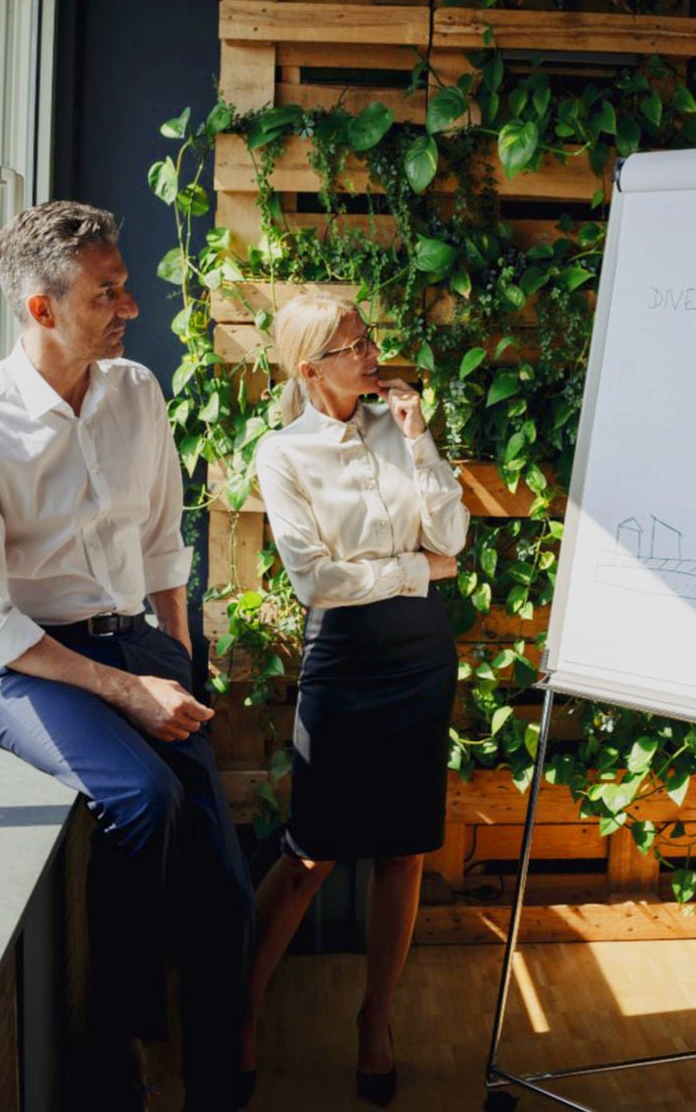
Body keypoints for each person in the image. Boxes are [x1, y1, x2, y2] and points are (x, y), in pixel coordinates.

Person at [0, 201, 252, 1112]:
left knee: (227, 895)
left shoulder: (136, 390)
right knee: (142, 802)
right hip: (25, 665)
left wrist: (175, 658)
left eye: (124, 285)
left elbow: (159, 538)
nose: (130, 307)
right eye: (107, 293)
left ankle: (219, 1089)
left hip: (137, 641)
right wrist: (128, 690)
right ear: (40, 308)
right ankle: (116, 1064)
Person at [241, 294, 468, 1107]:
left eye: (370, 336)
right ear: (311, 369)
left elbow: (454, 537)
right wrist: (414, 572)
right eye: (352, 345)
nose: (372, 353)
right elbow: (317, 581)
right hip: (344, 658)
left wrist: (419, 438)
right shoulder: (283, 453)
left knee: (405, 850)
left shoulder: (397, 425)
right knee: (309, 853)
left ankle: (377, 1020)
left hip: (419, 655)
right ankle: (242, 1012)